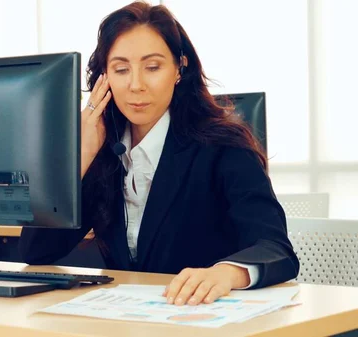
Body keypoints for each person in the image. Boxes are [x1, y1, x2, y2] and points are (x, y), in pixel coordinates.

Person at [19, 1, 299, 305]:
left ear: (180, 68)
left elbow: (276, 249)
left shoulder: (224, 146)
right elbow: (36, 253)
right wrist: (79, 158)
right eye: (121, 69)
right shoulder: (104, 151)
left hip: (203, 318)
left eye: (152, 67)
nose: (136, 85)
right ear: (104, 78)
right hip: (128, 320)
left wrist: (225, 274)